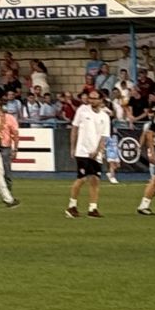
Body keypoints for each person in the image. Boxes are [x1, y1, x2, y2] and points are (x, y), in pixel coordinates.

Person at [67, 87, 110, 219]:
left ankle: (93, 208)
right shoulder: (82, 110)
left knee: (95, 180)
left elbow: (104, 136)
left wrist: (98, 151)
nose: (91, 100)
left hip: (95, 153)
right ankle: (71, 206)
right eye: (90, 98)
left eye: (94, 98)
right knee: (81, 178)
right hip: (82, 151)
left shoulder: (104, 116)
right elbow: (74, 128)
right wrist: (73, 147)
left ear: (101, 100)